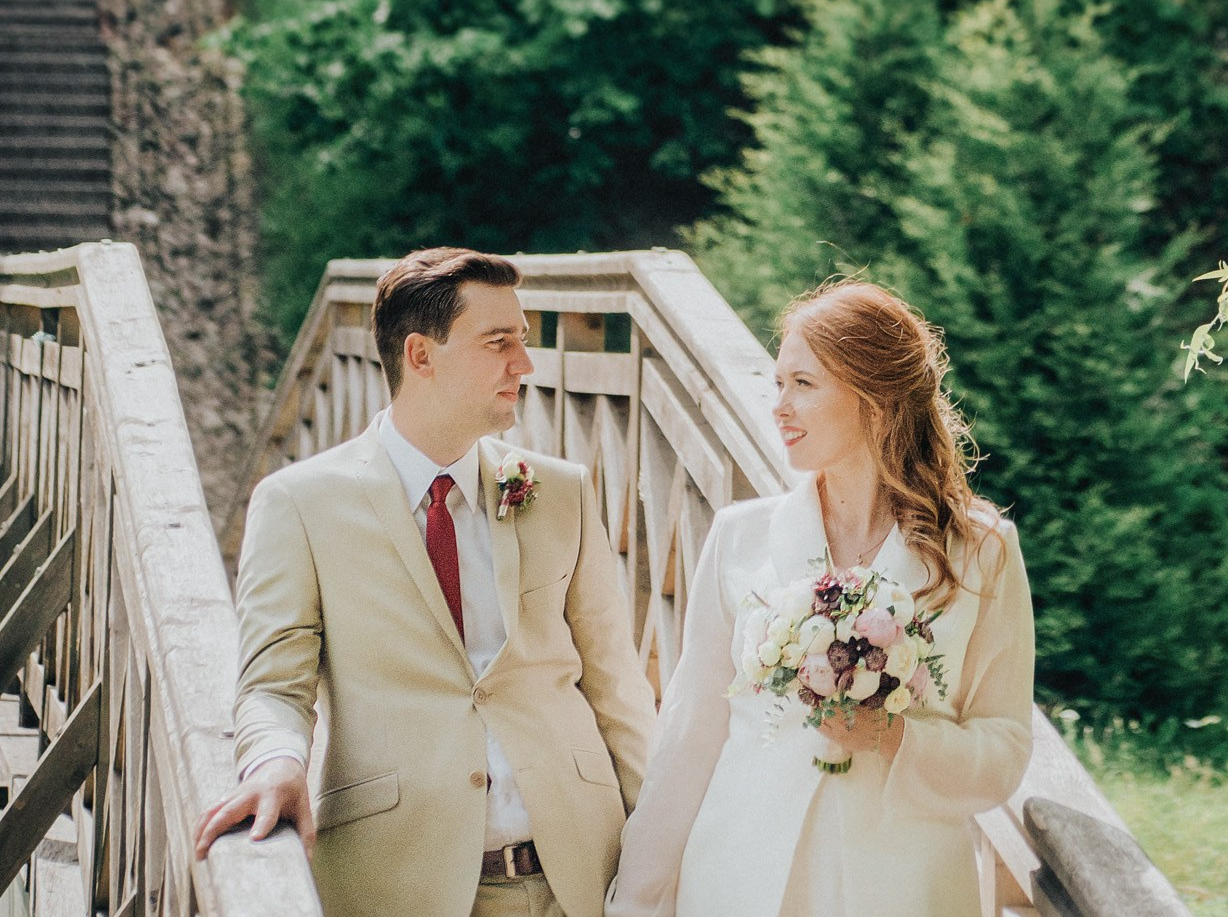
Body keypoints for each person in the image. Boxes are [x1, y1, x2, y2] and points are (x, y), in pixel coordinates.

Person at [194, 245, 655, 917]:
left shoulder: (559, 491)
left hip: (579, 876)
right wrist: (275, 762)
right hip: (398, 882)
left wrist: (661, 851)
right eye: (499, 343)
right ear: (420, 356)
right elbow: (272, 684)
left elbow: (616, 686)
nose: (523, 365)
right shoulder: (299, 503)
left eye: (522, 342)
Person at [607, 280, 1035, 917]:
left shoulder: (982, 552)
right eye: (777, 384)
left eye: (803, 385)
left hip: (903, 888)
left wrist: (895, 739)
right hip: (741, 878)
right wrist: (637, 899)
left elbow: (1003, 745)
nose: (779, 406)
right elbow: (690, 735)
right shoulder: (738, 538)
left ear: (876, 400)